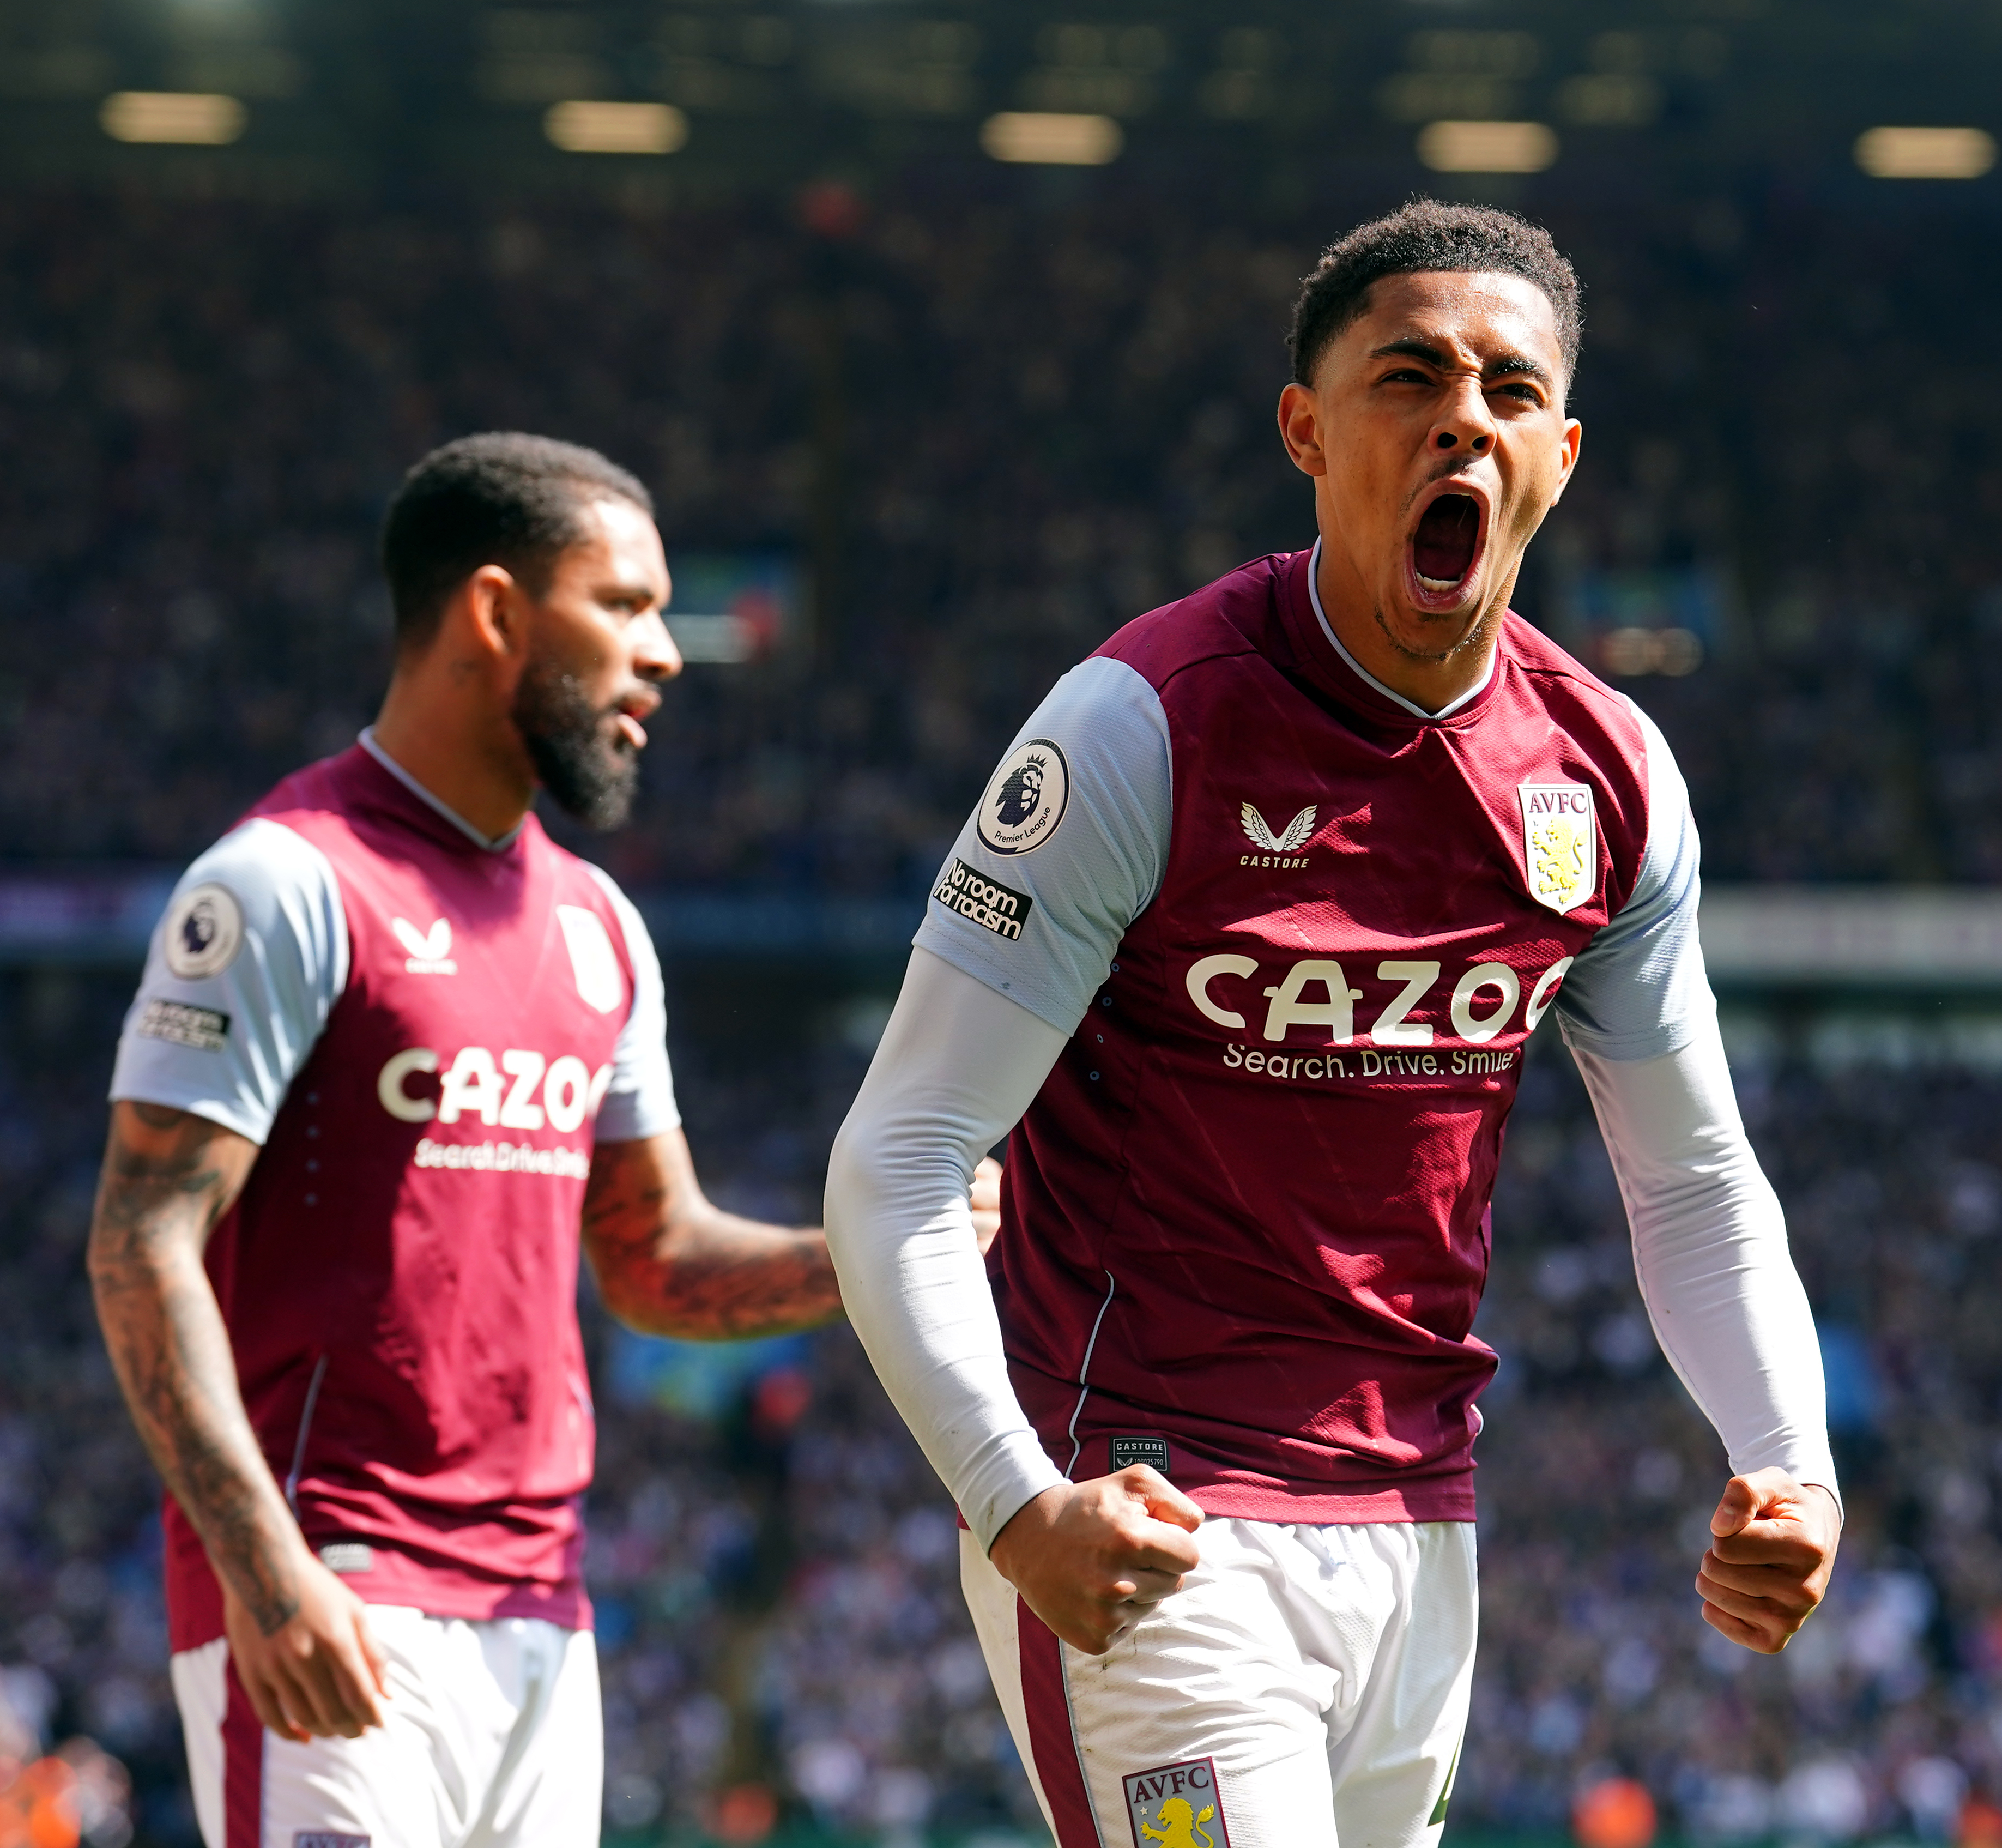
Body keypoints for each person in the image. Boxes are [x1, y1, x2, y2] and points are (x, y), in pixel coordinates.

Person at [826, 202, 1841, 1848]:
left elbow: (1696, 1182)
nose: (1463, 416)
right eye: (1409, 377)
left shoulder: (1610, 778)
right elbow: (904, 1150)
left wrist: (1790, 1461)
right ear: (1305, 430)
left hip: (1420, 1528)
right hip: (1146, 1511)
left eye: (1510, 391)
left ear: (1561, 456)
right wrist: (1016, 1507)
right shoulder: (1138, 727)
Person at [88, 434, 851, 1848]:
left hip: (542, 1613)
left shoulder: (599, 928)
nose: (664, 655)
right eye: (621, 606)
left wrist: (884, 1253)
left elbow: (658, 1263)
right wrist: (265, 1578)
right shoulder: (286, 882)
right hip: (336, 1588)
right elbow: (143, 1236)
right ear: (496, 612)